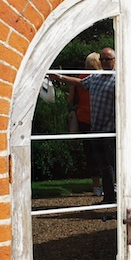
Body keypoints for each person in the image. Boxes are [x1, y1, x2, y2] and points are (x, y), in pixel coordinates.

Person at [48, 47, 116, 204]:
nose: (105, 62)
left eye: (108, 59)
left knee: (111, 164)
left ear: (115, 60)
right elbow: (79, 83)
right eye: (103, 59)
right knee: (103, 164)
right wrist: (59, 77)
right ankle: (109, 197)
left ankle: (115, 196)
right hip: (96, 129)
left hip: (111, 130)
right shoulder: (96, 78)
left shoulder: (119, 79)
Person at [68, 52, 103, 197]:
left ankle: (96, 186)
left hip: (84, 119)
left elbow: (70, 100)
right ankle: (112, 184)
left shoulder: (79, 79)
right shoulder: (104, 77)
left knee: (90, 153)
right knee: (106, 152)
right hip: (102, 118)